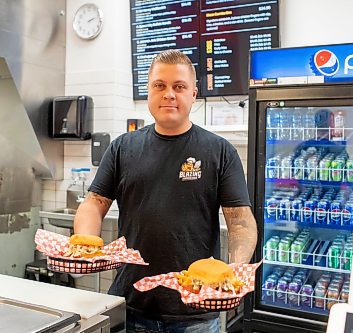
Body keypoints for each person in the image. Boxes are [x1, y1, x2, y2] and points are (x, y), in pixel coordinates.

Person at [74, 49, 257, 333]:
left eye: (179, 86)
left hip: (196, 310)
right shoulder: (122, 148)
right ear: (148, 92)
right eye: (159, 85)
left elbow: (240, 220)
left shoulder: (220, 151)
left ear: (193, 94)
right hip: (128, 303)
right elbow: (93, 203)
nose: (169, 94)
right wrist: (86, 245)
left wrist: (235, 270)